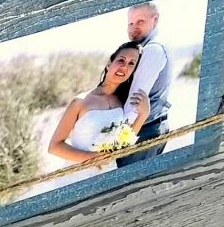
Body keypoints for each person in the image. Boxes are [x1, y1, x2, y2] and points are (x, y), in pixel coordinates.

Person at [48, 42, 150, 171]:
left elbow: (123, 144)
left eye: (131, 64)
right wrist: (92, 158)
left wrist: (143, 115)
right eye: (121, 60)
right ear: (109, 64)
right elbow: (54, 147)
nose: (124, 67)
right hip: (79, 173)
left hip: (109, 171)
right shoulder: (81, 101)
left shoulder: (123, 103)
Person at [117, 2, 173, 167]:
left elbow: (135, 100)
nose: (134, 27)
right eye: (130, 23)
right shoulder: (155, 46)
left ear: (155, 20)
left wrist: (118, 141)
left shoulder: (153, 49)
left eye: (140, 21)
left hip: (143, 131)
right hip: (152, 128)